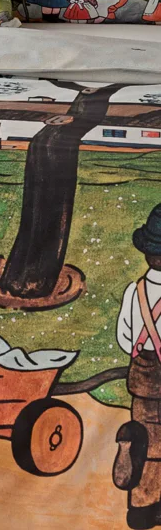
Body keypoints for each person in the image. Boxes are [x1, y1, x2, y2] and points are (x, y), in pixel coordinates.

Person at [115, 204, 161, 530]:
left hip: (143, 379)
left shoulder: (135, 291)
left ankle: (142, 508)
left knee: (145, 444)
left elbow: (124, 337)